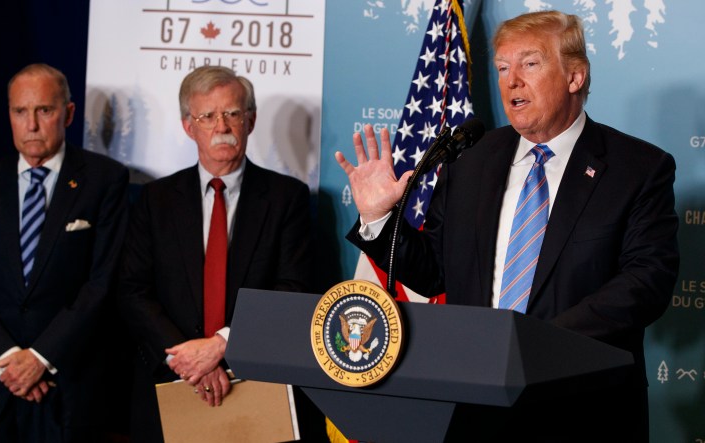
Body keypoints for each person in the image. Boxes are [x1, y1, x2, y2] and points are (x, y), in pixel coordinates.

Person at [336, 10, 678, 442]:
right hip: (474, 406)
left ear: (575, 76)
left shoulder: (637, 169)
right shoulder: (471, 160)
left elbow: (646, 283)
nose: (510, 80)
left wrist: (533, 342)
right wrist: (378, 217)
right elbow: (433, 269)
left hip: (582, 407)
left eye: (530, 64)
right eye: (501, 67)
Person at [118, 66, 317, 443]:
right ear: (188, 126)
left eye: (232, 113)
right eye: (207, 116)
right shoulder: (154, 200)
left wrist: (223, 344)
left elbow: (294, 290)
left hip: (256, 383)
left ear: (251, 121)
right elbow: (132, 291)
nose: (221, 125)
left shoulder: (287, 198)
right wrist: (189, 362)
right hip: (170, 381)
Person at [0, 63, 129, 442]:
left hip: (67, 394)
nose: (31, 124)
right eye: (20, 111)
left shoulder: (104, 180)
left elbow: (101, 283)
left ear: (68, 113)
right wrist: (11, 361)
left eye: (44, 110)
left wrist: (40, 358)